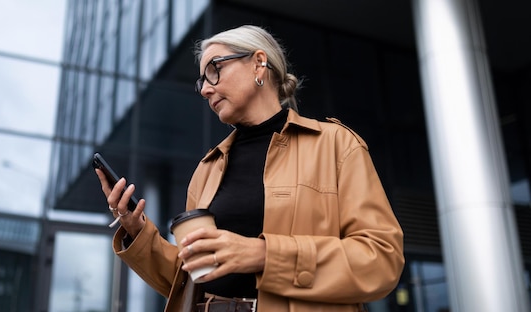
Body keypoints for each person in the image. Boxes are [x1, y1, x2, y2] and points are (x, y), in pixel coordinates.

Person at [96, 24, 404, 312]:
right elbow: (188, 278)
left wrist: (264, 255)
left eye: (215, 69)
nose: (205, 89)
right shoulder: (207, 169)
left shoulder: (336, 145)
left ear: (259, 63)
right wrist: (137, 232)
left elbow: (381, 260)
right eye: (202, 79)